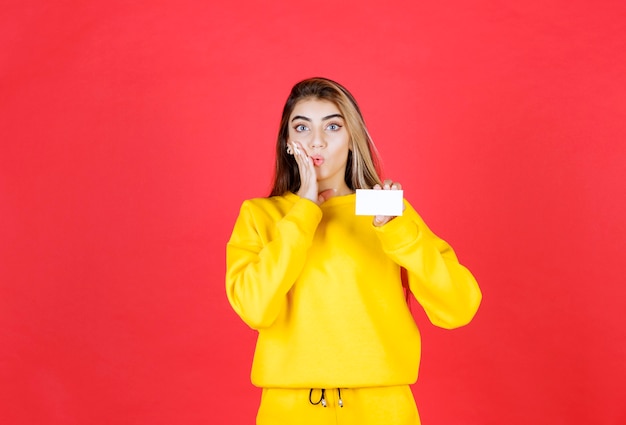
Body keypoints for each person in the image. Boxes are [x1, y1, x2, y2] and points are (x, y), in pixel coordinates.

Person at [225, 77, 482, 425]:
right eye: (302, 127)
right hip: (289, 409)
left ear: (351, 139)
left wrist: (397, 229)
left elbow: (459, 307)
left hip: (383, 407)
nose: (316, 141)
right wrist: (303, 211)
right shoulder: (262, 215)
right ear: (288, 142)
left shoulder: (386, 211)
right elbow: (255, 308)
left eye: (332, 126)